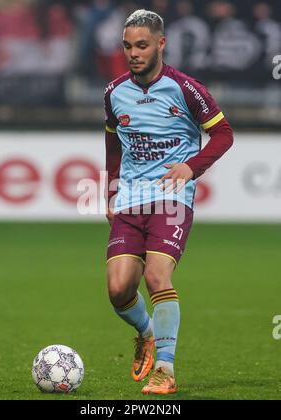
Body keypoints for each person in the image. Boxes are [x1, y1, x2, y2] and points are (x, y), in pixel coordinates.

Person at [104, 9, 233, 395]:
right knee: (118, 290)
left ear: (161, 44)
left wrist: (191, 167)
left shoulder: (185, 88)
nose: (133, 53)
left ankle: (166, 368)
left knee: (157, 277)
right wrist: (110, 188)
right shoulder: (114, 92)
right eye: (127, 46)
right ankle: (145, 331)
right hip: (130, 200)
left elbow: (224, 134)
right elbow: (113, 141)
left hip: (172, 198)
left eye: (141, 45)